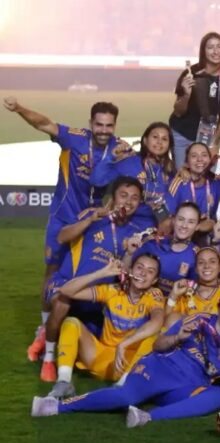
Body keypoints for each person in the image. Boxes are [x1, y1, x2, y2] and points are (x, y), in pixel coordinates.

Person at [4, 98, 120, 362]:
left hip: (93, 222)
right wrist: (20, 109)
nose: (104, 130)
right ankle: (44, 328)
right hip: (63, 217)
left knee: (88, 271)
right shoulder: (74, 138)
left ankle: (87, 326)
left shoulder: (119, 149)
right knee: (53, 271)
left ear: (114, 125)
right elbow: (44, 123)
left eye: (109, 125)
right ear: (91, 123)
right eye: (99, 124)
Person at [32, 289, 220, 427]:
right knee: (125, 398)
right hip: (159, 368)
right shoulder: (197, 319)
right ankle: (55, 406)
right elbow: (157, 345)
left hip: (185, 388)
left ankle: (147, 417)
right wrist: (177, 337)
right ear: (218, 308)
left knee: (217, 396)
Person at [39, 177, 146, 381]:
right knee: (62, 302)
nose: (128, 201)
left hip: (97, 294)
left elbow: (123, 271)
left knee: (89, 344)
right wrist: (90, 220)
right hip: (66, 281)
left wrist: (129, 253)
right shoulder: (93, 214)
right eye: (123, 195)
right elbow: (61, 237)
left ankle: (51, 335)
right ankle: (49, 357)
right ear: (113, 198)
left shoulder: (135, 231)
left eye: (134, 198)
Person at [46, 256, 164, 399]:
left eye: (150, 271)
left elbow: (157, 322)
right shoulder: (113, 291)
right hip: (100, 358)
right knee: (71, 322)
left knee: (155, 335)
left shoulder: (154, 296)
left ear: (154, 280)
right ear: (130, 270)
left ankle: (123, 386)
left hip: (129, 364)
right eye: (139, 267)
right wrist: (101, 273)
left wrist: (124, 344)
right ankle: (64, 382)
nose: (143, 273)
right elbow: (66, 290)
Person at [170, 32, 220, 168]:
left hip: (210, 137)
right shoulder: (191, 73)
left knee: (207, 177)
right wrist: (186, 94)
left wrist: (215, 140)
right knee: (182, 176)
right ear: (203, 51)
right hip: (183, 134)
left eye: (219, 46)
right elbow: (178, 112)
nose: (216, 51)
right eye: (210, 47)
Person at [90, 121, 175, 227]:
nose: (159, 142)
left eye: (164, 139)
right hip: (123, 224)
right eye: (155, 137)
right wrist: (111, 157)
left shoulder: (171, 171)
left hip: (154, 227)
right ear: (145, 140)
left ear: (169, 145)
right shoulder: (129, 161)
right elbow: (96, 180)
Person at [166, 143, 220, 230]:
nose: (199, 159)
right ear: (187, 163)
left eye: (204, 155)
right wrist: (197, 227)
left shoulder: (217, 181)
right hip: (183, 234)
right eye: (194, 156)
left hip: (210, 235)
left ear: (210, 160)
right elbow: (165, 221)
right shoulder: (179, 184)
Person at [124, 202, 199, 295]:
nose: (184, 225)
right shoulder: (153, 243)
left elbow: (194, 292)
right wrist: (129, 254)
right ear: (173, 220)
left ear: (197, 226)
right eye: (181, 219)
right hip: (141, 300)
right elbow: (125, 273)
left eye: (191, 222)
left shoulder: (196, 256)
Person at [166, 246, 220, 318]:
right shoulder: (186, 289)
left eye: (212, 261)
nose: (206, 266)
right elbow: (169, 320)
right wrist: (173, 295)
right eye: (201, 262)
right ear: (196, 269)